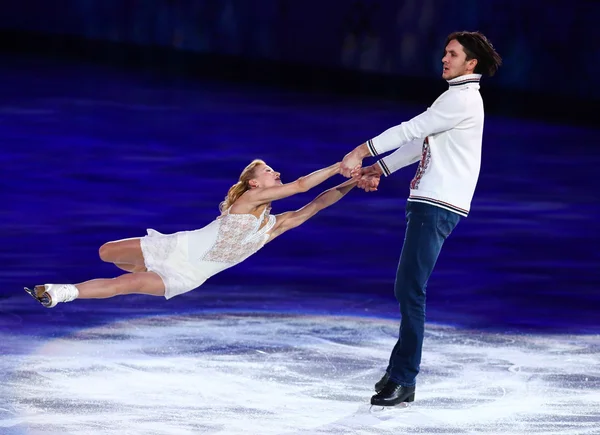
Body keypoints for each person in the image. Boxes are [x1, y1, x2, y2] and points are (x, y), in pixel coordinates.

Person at [342, 31, 502, 407]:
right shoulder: (456, 98)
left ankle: (404, 378)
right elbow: (422, 142)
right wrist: (381, 168)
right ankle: (398, 372)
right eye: (444, 53)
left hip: (438, 203)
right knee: (407, 287)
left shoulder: (461, 98)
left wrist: (360, 151)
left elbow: (411, 128)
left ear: (470, 63)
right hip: (432, 201)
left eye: (452, 54)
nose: (444, 60)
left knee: (411, 290)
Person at [26, 160, 356, 308]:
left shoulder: (274, 227)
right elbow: (301, 187)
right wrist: (341, 165)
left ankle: (59, 293)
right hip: (177, 250)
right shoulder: (247, 200)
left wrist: (355, 179)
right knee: (105, 253)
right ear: (254, 183)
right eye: (270, 171)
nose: (277, 173)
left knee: (121, 286)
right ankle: (140, 265)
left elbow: (316, 203)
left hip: (190, 276)